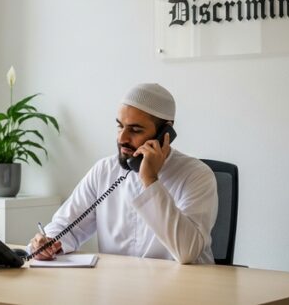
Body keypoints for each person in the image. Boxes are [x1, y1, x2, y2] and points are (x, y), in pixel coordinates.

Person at [29, 83, 218, 264]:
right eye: (120, 126)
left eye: (135, 130)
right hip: (118, 286)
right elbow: (65, 226)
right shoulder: (104, 170)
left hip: (184, 290)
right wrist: (48, 242)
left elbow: (187, 252)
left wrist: (150, 180)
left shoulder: (197, 175)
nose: (122, 138)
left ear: (165, 133)